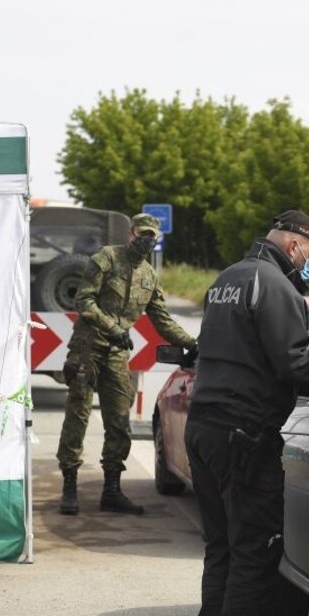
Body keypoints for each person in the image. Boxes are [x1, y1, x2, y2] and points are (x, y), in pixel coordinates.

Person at [184, 209, 309, 616]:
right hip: (245, 434)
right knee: (254, 555)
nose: (308, 264)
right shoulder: (276, 287)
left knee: (221, 550)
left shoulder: (227, 279)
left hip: (206, 427)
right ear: (296, 244)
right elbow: (293, 364)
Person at [56, 213, 197, 516]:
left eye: (152, 237)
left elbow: (163, 320)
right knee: (78, 415)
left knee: (120, 420)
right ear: (131, 234)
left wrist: (195, 343)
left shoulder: (149, 276)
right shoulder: (107, 258)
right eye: (142, 234)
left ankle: (112, 490)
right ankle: (69, 485)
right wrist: (113, 329)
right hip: (87, 347)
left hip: (117, 353)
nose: (146, 240)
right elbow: (84, 301)